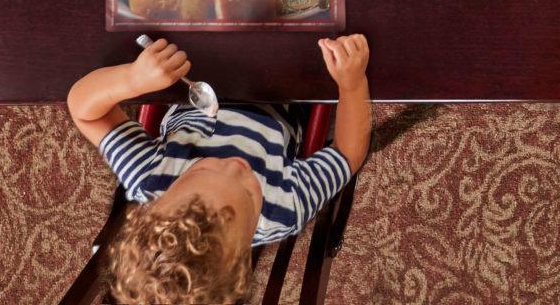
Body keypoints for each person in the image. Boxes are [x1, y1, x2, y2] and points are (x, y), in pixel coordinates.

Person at [67, 32, 371, 304]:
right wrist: (352, 83)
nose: (235, 166)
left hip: (201, 63)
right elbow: (348, 153)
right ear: (243, 261)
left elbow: (86, 113)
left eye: (201, 170)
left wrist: (132, 80)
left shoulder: (150, 178)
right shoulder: (285, 209)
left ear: (156, 202)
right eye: (250, 195)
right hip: (286, 88)